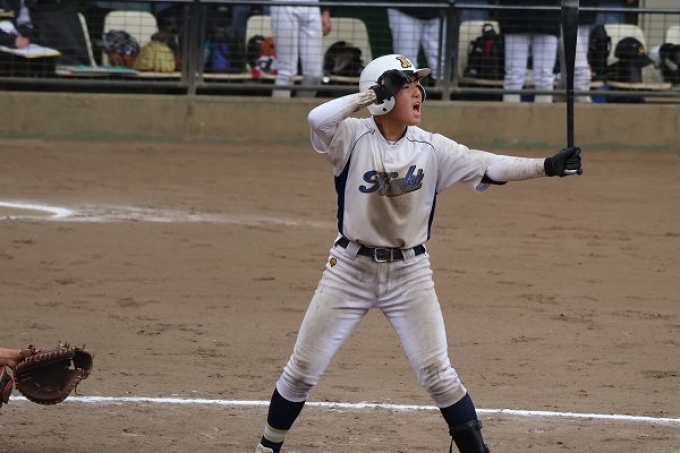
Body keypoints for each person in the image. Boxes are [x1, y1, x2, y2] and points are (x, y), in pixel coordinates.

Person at [253, 53, 582, 453]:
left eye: (417, 85)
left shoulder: (431, 147)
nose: (418, 92)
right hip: (349, 270)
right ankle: (267, 448)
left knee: (438, 374)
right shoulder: (350, 137)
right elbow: (316, 118)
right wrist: (371, 96)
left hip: (410, 274)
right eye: (406, 85)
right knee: (301, 371)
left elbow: (490, 165)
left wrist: (548, 166)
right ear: (384, 96)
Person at [498, 0, 561, 103]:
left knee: (544, 76)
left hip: (548, 17)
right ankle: (510, 112)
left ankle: (544, 112)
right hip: (515, 16)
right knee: (514, 75)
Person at [270, 0, 332, 98]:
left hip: (311, 4)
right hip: (283, 4)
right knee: (286, 72)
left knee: (314, 74)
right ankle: (280, 107)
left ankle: (302, 106)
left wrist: (325, 11)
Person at [387, 0, 446, 82]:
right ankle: (407, 87)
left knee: (440, 62)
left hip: (439, 8)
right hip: (404, 8)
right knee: (406, 60)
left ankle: (440, 88)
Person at [558, 0, 599, 102]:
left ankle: (562, 99)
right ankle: (583, 105)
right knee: (580, 69)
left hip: (586, 13)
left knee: (567, 71)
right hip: (563, 14)